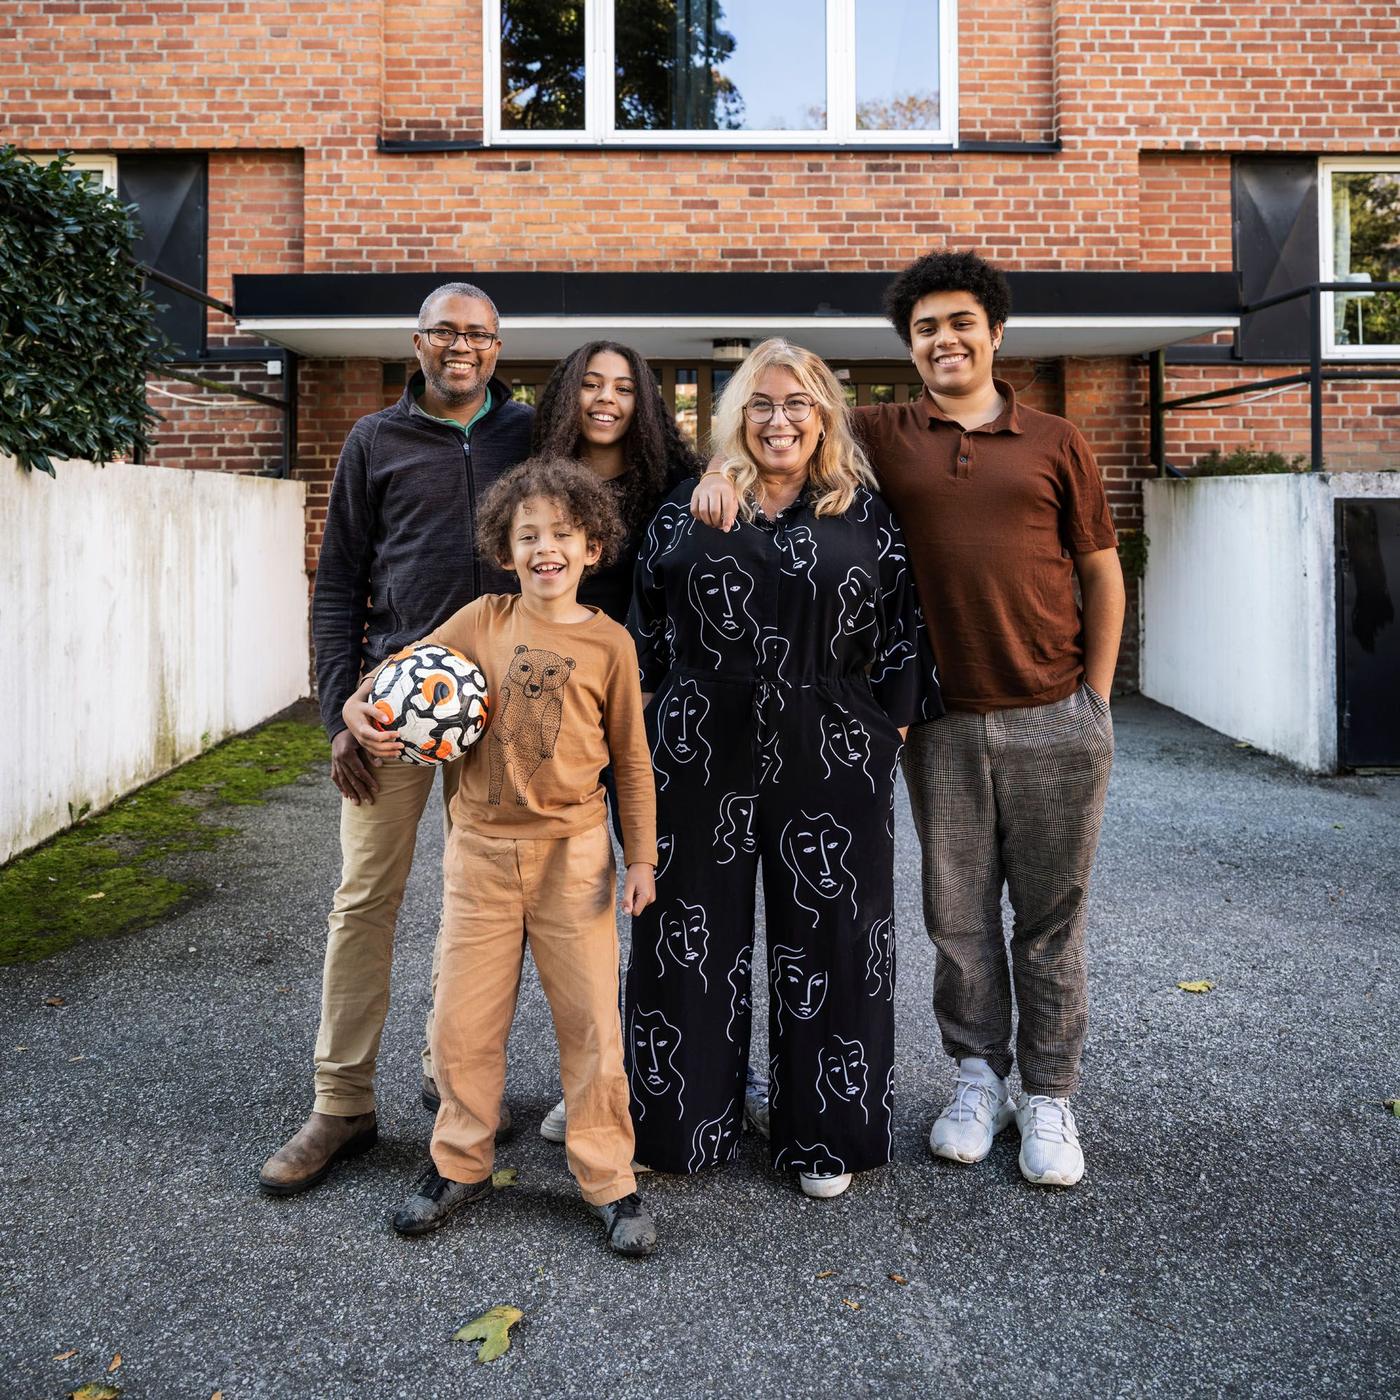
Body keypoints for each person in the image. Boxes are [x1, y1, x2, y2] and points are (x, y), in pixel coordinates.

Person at [694, 252, 1125, 1189]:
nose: (945, 340)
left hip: (1055, 712)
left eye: (961, 323)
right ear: (910, 345)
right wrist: (726, 464)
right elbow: (784, 425)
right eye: (926, 328)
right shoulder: (885, 432)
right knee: (958, 915)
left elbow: (1100, 571)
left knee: (1052, 917)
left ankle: (1048, 1095)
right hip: (939, 724)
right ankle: (976, 1076)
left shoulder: (1056, 440)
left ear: (995, 332)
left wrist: (1096, 700)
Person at [627, 337, 940, 1199]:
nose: (779, 420)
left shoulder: (865, 513)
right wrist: (648, 722)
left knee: (836, 938)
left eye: (798, 403)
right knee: (687, 931)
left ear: (824, 416)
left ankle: (823, 1135)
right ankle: (683, 1123)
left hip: (830, 739)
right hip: (700, 740)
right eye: (761, 404)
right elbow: (644, 625)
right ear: (737, 417)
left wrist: (890, 727)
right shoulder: (688, 508)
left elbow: (903, 624)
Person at [340, 457, 660, 1256]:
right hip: (480, 854)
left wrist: (643, 859)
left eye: (561, 534)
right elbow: (394, 674)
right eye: (528, 536)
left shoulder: (612, 645)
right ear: (505, 549)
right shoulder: (480, 619)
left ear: (592, 546)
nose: (544, 546)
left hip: (574, 857)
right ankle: (459, 1160)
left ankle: (608, 1177)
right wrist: (355, 707)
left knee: (590, 1023)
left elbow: (631, 761)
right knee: (462, 1024)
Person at [259, 283, 533, 1197]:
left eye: (480, 335)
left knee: (481, 908)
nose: (464, 347)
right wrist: (339, 706)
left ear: (499, 348)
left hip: (501, 717)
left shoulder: (529, 436)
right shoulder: (373, 441)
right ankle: (341, 1102)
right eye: (447, 332)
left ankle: (449, 1078)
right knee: (365, 899)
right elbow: (337, 582)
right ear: (418, 342)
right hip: (393, 709)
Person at [528, 340, 701, 1146]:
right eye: (591, 383)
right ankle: (589, 1079)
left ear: (645, 401)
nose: (606, 399)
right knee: (572, 913)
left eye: (624, 387)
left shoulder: (674, 480)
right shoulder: (537, 475)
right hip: (548, 710)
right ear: (568, 394)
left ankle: (685, 1059)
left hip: (647, 706)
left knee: (655, 892)